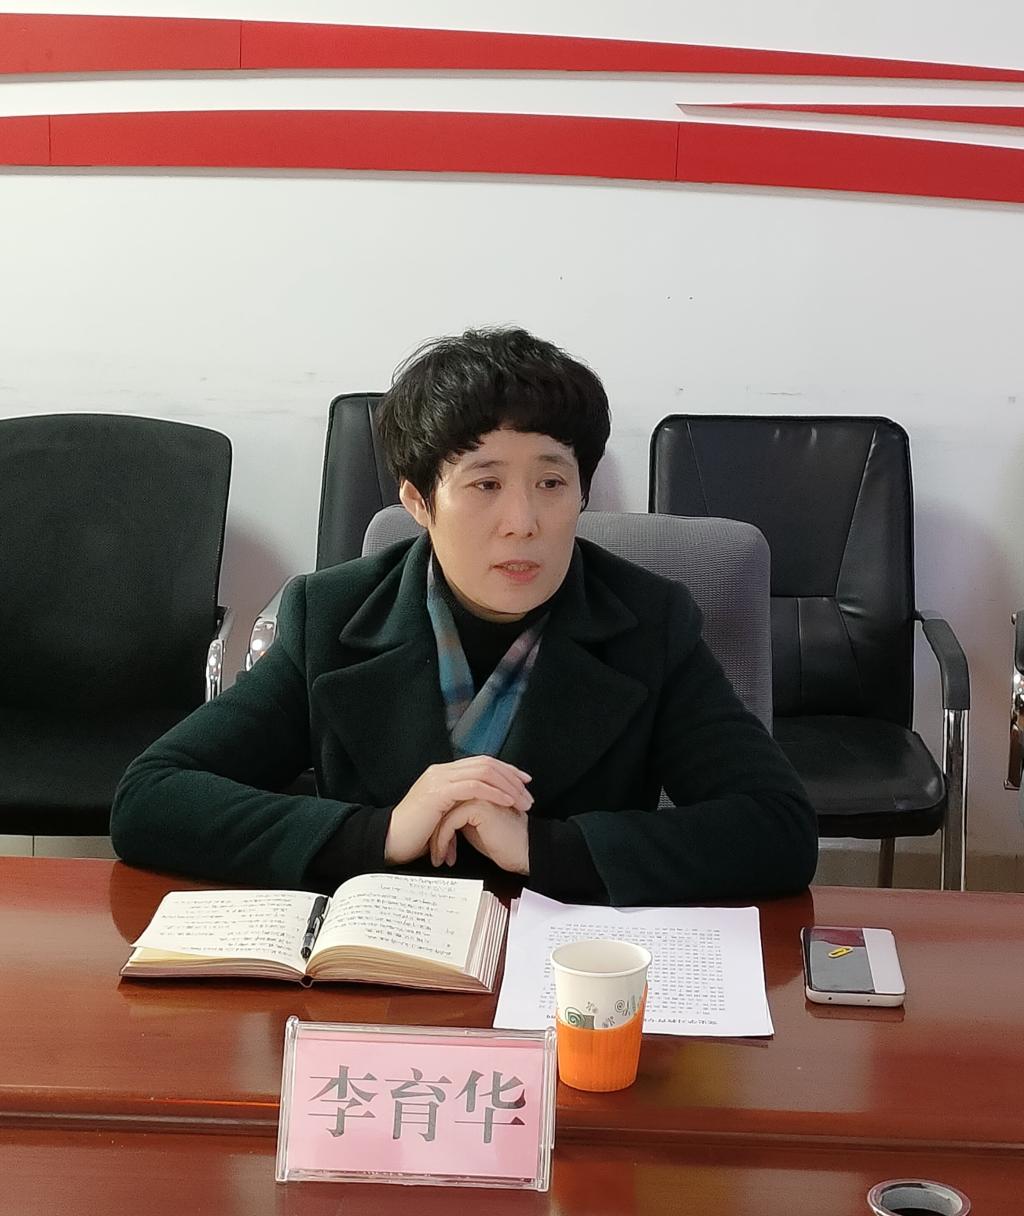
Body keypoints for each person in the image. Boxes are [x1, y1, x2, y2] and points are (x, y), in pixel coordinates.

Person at [111, 327, 817, 904]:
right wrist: (381, 833)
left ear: (582, 492)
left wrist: (545, 847)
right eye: (484, 484)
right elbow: (151, 798)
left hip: (565, 972)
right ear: (419, 502)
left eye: (551, 481)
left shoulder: (649, 621)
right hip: (383, 967)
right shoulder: (329, 616)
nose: (523, 522)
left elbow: (779, 829)